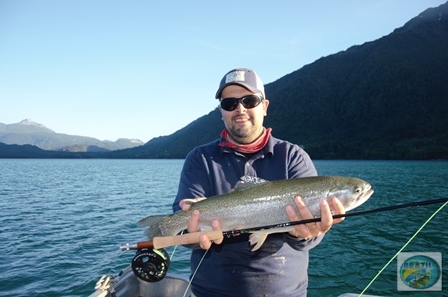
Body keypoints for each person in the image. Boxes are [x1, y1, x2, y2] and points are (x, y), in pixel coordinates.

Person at [172, 68, 345, 297]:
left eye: (249, 100)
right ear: (221, 111)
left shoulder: (293, 157)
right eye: (229, 103)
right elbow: (183, 227)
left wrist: (306, 233)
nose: (240, 109)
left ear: (264, 106)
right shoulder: (200, 158)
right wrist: (190, 231)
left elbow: (310, 239)